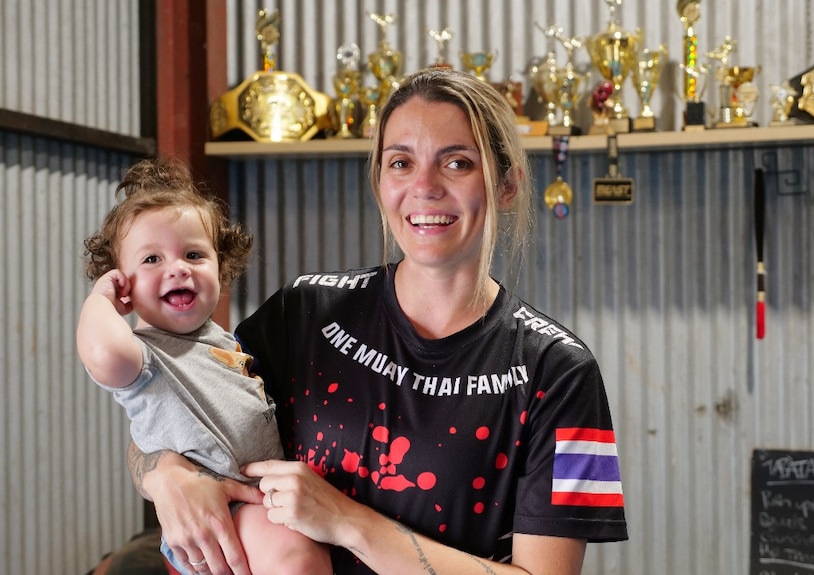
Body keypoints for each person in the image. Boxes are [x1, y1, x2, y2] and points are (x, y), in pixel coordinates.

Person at [129, 68, 628, 575]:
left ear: (506, 186)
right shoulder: (303, 313)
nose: (424, 187)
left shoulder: (559, 372)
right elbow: (169, 410)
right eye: (401, 163)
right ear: (380, 182)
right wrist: (164, 476)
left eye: (457, 163)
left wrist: (347, 521)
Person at [76, 157, 332, 575]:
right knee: (295, 555)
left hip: (256, 502)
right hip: (222, 512)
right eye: (151, 260)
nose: (177, 267)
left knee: (301, 548)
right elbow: (103, 354)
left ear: (220, 265)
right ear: (123, 282)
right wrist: (101, 301)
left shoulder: (222, 342)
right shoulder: (146, 356)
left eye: (194, 254)